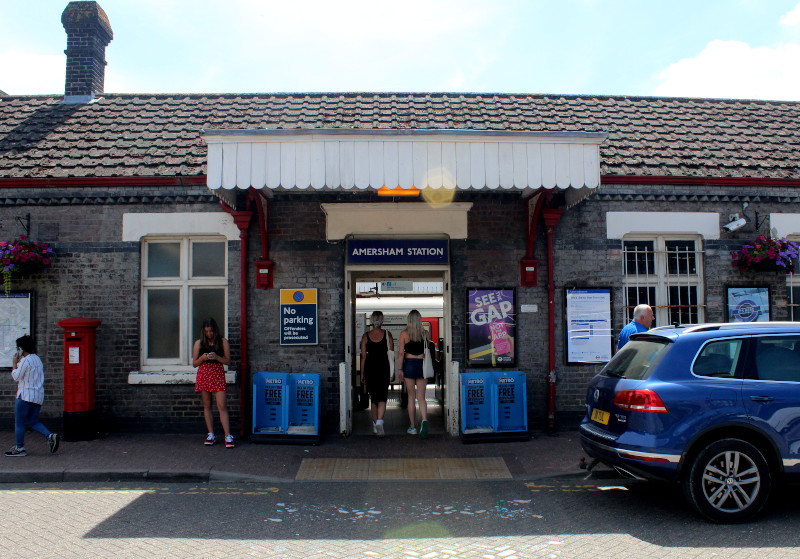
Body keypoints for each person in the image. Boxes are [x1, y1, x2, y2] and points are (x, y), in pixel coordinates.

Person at [5, 334, 59, 457]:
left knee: (19, 422)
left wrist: (14, 364)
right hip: (38, 396)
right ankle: (50, 435)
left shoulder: (25, 360)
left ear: (21, 349)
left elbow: (16, 377)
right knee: (33, 421)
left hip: (25, 395)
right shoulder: (37, 359)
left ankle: (20, 448)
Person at [192, 318, 234, 448]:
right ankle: (211, 434)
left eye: (211, 331)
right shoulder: (199, 343)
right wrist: (203, 358)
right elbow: (194, 364)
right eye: (206, 331)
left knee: (222, 405)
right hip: (204, 374)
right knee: (207, 404)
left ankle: (228, 435)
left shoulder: (222, 341)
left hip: (217, 373)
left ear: (215, 330)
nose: (209, 334)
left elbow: (228, 361)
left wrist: (217, 357)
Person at [397, 309, 432, 440]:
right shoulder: (426, 334)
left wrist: (400, 369)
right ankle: (424, 420)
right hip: (423, 364)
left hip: (410, 364)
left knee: (411, 397)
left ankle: (412, 426)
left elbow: (401, 353)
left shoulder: (404, 334)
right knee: (421, 397)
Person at [359, 311, 394, 437]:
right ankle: (380, 421)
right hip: (384, 368)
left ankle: (375, 425)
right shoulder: (387, 335)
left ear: (372, 320)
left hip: (370, 369)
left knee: (373, 398)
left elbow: (363, 356)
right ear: (382, 320)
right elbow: (391, 354)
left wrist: (362, 373)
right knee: (382, 397)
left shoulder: (365, 336)